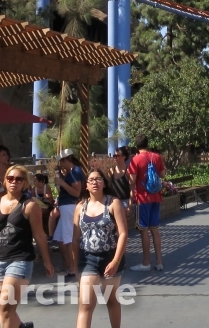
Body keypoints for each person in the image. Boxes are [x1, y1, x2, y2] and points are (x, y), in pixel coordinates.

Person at [0, 165, 54, 328]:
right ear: (5, 181)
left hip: (20, 260)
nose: (14, 182)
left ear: (25, 183)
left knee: (6, 309)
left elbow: (39, 235)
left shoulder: (30, 205)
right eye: (10, 178)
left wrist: (47, 261)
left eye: (19, 179)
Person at [72, 167, 129, 328]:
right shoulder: (80, 207)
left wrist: (116, 261)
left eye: (98, 179)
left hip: (110, 257)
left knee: (111, 299)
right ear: (86, 185)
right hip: (87, 259)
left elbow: (123, 233)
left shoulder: (113, 203)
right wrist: (75, 265)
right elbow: (75, 239)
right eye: (91, 180)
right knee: (85, 304)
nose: (95, 182)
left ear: (104, 183)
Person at [128, 134, 167, 271]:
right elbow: (163, 174)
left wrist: (130, 195)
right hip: (156, 197)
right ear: (147, 143)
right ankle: (159, 261)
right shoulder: (156, 157)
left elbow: (132, 181)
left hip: (143, 199)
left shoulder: (136, 159)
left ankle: (146, 263)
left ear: (136, 145)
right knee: (155, 229)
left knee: (143, 230)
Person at [52, 149, 85, 279]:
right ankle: (67, 264)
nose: (61, 164)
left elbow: (76, 192)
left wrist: (62, 183)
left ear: (67, 160)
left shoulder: (75, 171)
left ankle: (72, 268)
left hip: (69, 206)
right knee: (60, 238)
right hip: (65, 205)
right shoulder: (72, 171)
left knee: (68, 238)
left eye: (62, 161)